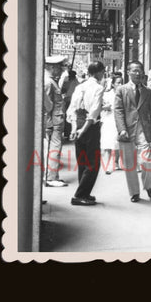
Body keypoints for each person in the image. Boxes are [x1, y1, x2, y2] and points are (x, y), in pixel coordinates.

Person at [114, 61, 151, 203]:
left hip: (144, 130)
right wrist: (121, 129)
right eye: (135, 70)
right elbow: (118, 111)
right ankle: (134, 192)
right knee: (129, 164)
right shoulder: (121, 90)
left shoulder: (148, 91)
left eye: (140, 70)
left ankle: (148, 185)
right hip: (127, 130)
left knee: (148, 161)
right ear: (128, 72)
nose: (138, 73)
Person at [66, 61, 105, 206]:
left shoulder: (79, 86)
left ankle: (85, 192)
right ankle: (80, 195)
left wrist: (75, 129)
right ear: (99, 72)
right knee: (93, 163)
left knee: (82, 161)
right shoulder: (98, 88)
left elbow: (72, 109)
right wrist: (84, 130)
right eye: (103, 72)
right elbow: (94, 112)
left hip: (78, 123)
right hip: (90, 128)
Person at [43, 55, 68, 188]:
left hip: (55, 121)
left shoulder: (51, 81)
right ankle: (51, 177)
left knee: (54, 149)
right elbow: (46, 107)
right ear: (52, 67)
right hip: (53, 123)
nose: (61, 70)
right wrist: (48, 125)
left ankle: (52, 176)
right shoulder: (48, 82)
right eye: (59, 67)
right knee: (53, 149)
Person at [100, 76, 122, 174]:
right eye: (118, 83)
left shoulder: (124, 94)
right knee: (108, 142)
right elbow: (100, 106)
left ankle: (116, 162)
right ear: (113, 84)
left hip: (119, 120)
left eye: (121, 82)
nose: (120, 85)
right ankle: (108, 165)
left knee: (117, 143)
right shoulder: (106, 95)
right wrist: (105, 107)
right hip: (109, 119)